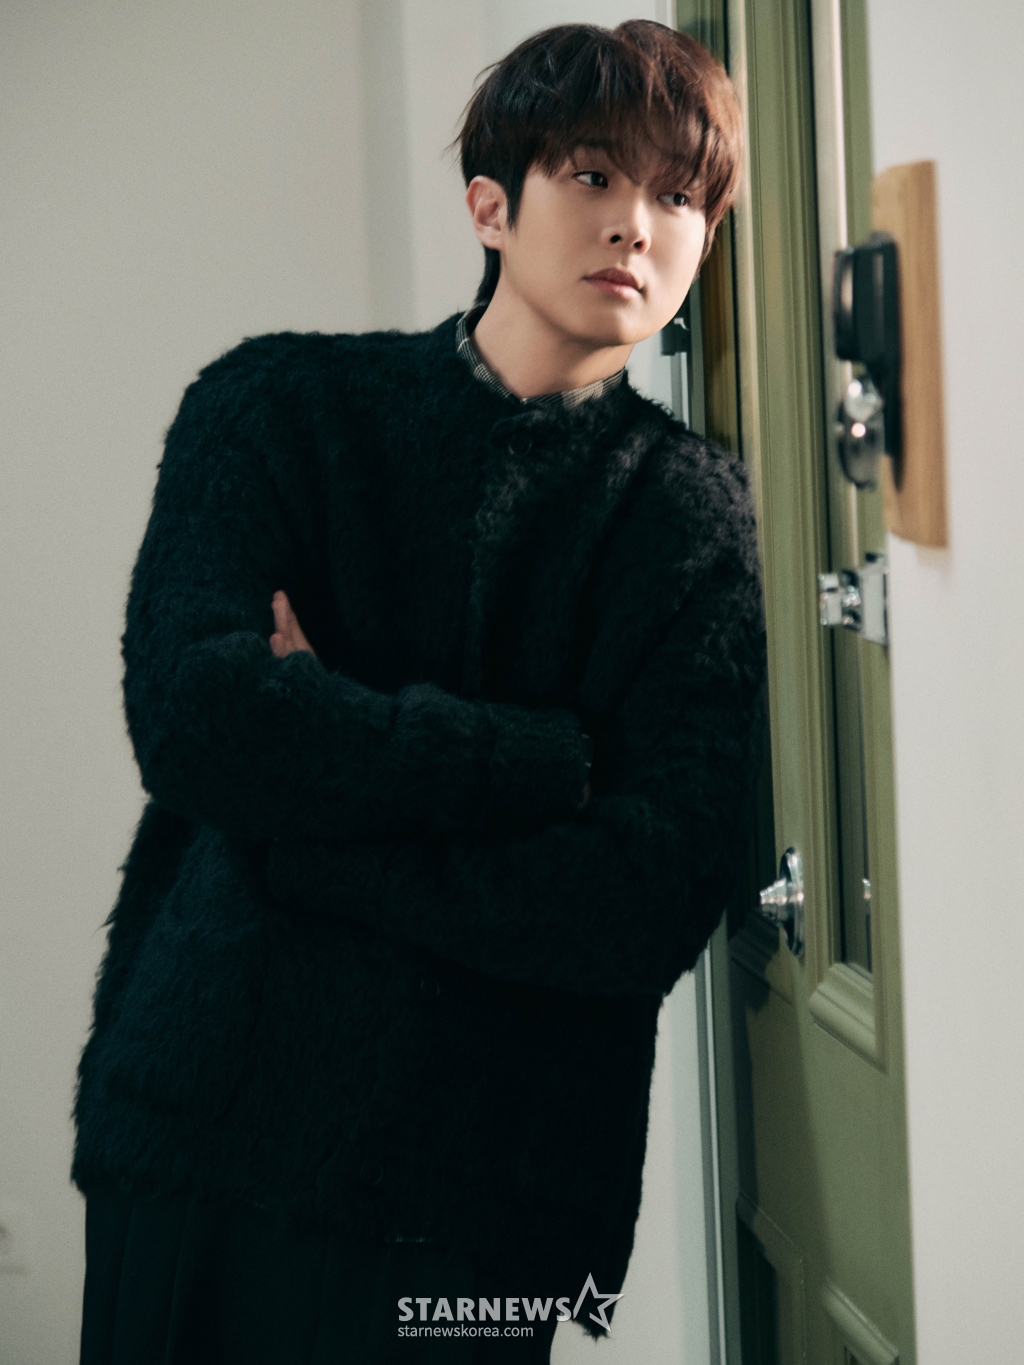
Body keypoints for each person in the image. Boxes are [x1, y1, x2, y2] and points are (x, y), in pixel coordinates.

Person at [73, 19, 764, 1364]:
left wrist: (302, 825)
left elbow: (643, 896)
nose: (636, 224)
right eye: (593, 175)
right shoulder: (275, 408)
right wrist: (528, 762)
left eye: (679, 196)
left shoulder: (691, 515)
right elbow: (197, 720)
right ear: (490, 207)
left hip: (482, 1202)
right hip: (206, 1130)